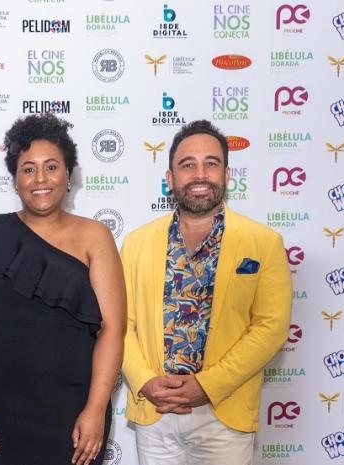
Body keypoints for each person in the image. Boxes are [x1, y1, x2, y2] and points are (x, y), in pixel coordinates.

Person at [120, 120, 292, 465]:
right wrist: (145, 381)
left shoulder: (263, 242)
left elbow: (270, 328)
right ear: (170, 178)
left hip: (224, 414)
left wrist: (208, 385)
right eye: (188, 165)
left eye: (210, 163)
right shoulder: (136, 243)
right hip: (156, 412)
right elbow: (121, 323)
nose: (200, 174)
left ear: (227, 174)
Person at [0, 114, 126, 465]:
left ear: (68, 174)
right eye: (28, 169)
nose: (40, 179)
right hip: (4, 408)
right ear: (15, 179)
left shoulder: (95, 236)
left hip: (76, 408)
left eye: (51, 167)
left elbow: (113, 328)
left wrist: (96, 409)